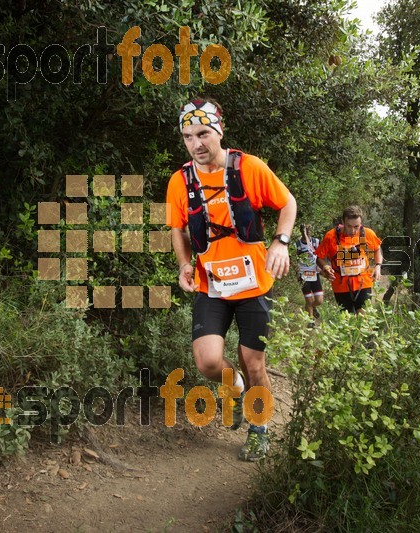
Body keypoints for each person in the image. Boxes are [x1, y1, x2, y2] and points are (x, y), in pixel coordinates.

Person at [166, 98, 297, 461]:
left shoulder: (249, 167)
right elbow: (177, 228)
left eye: (203, 133)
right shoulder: (180, 181)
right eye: (188, 136)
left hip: (254, 285)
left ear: (219, 131)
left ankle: (260, 429)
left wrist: (281, 242)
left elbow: (288, 204)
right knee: (208, 361)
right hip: (212, 286)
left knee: (254, 362)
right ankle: (237, 391)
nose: (197, 144)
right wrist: (183, 264)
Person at [315, 206, 383, 315]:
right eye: (349, 226)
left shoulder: (367, 233)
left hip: (364, 282)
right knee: (348, 321)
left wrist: (378, 266)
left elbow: (377, 249)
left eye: (356, 226)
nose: (352, 230)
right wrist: (325, 267)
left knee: (364, 320)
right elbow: (319, 258)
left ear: (361, 223)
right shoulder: (331, 236)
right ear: (342, 222)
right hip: (341, 285)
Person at [294, 224, 323, 323]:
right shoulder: (297, 244)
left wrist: (320, 266)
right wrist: (297, 270)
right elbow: (293, 259)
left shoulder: (316, 242)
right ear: (301, 231)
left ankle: (312, 307)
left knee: (319, 300)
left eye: (309, 230)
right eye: (305, 231)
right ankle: (310, 321)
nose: (307, 232)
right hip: (303, 274)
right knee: (309, 300)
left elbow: (321, 255)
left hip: (314, 273)